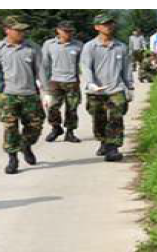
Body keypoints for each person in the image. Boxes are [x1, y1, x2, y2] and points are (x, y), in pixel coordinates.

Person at [0, 15, 44, 174]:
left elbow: (41, 71)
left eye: (23, 30)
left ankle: (26, 145)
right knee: (10, 128)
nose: (22, 33)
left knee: (35, 126)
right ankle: (12, 159)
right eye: (18, 30)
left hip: (30, 94)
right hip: (8, 95)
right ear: (7, 30)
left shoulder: (32, 47)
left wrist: (47, 91)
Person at [81, 13, 134, 162]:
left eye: (111, 23)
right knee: (99, 119)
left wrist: (130, 87)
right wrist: (91, 83)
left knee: (116, 118)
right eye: (105, 24)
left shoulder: (121, 47)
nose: (109, 26)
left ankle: (113, 148)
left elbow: (126, 68)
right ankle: (103, 141)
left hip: (115, 89)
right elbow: (86, 67)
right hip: (95, 91)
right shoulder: (90, 47)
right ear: (97, 27)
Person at [40, 20, 83, 144]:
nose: (68, 34)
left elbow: (84, 64)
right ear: (58, 31)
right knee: (52, 107)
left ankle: (70, 132)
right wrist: (43, 82)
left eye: (70, 31)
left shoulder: (79, 45)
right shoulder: (49, 44)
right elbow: (44, 64)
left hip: (72, 82)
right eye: (65, 31)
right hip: (54, 81)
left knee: (72, 109)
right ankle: (56, 128)